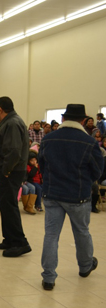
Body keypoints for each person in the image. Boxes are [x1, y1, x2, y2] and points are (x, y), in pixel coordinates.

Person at [38, 104, 103, 290]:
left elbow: (42, 165)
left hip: (52, 194)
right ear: (83, 121)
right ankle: (85, 267)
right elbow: (97, 171)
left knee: (51, 235)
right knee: (82, 231)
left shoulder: (48, 138)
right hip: (78, 195)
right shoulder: (89, 142)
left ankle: (48, 278)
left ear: (64, 119)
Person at [0, 96, 32, 257]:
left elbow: (13, 150)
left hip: (11, 171)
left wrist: (6, 169)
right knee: (6, 205)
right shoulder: (10, 122)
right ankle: (9, 239)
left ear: (0, 109)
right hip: (8, 169)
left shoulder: (12, 123)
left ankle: (20, 242)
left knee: (10, 205)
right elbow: (4, 149)